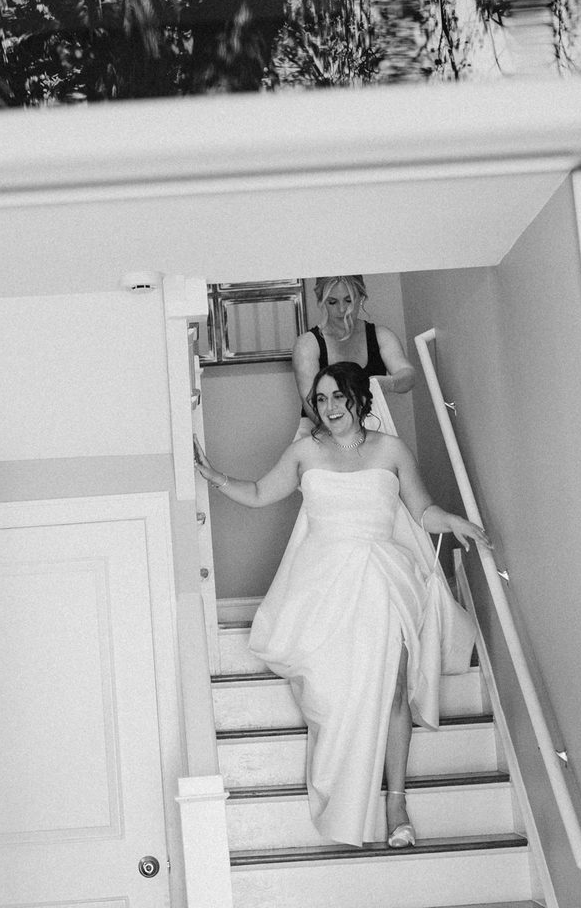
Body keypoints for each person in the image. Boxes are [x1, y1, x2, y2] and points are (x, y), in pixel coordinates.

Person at [195, 362, 491, 848]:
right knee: (333, 696)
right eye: (321, 398)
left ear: (359, 398)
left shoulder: (391, 450)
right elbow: (256, 493)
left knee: (395, 687)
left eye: (338, 397)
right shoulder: (304, 452)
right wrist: (214, 476)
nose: (329, 408)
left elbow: (422, 509)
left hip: (383, 577)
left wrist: (454, 522)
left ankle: (396, 802)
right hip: (323, 585)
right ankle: (346, 784)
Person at [292, 275, 417, 435]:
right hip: (319, 429)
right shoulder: (307, 344)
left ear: (361, 298)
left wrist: (387, 383)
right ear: (321, 302)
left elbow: (409, 377)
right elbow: (311, 404)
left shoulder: (381, 336)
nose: (342, 309)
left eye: (349, 300)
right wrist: (350, 439)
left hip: (370, 426)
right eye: (332, 302)